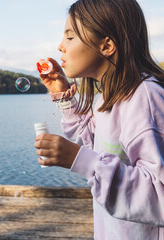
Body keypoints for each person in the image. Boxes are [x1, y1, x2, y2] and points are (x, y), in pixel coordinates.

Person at [34, 0, 164, 239]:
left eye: (70, 37)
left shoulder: (144, 96)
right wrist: (63, 97)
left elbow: (159, 194)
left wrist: (78, 159)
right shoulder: (108, 96)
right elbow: (95, 145)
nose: (60, 46)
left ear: (106, 45)